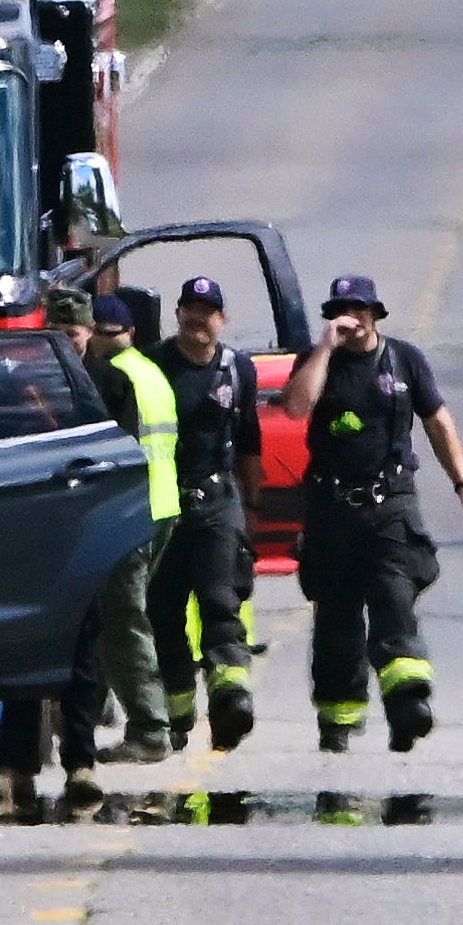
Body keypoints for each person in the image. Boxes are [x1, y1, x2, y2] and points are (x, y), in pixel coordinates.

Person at [277, 275, 463, 754]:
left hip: (390, 504)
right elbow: (295, 408)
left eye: (357, 310)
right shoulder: (318, 362)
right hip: (332, 509)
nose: (349, 319)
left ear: (374, 313)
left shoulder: (404, 360)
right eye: (340, 311)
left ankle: (408, 706)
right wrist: (325, 349)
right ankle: (339, 720)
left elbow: (438, 421)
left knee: (395, 600)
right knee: (336, 619)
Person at [48, 288, 180, 800]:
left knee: (123, 620)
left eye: (76, 333)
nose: (72, 342)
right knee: (106, 619)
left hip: (128, 515)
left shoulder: (114, 379)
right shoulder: (145, 370)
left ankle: (150, 728)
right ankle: (100, 709)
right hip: (155, 506)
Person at [149, 276, 263, 753]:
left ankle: (231, 700)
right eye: (189, 308)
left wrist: (252, 509)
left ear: (223, 318)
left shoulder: (238, 369)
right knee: (163, 613)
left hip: (217, 501)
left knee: (221, 601)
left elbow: (251, 440)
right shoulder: (153, 366)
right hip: (161, 507)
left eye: (207, 310)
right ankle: (176, 718)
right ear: (177, 314)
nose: (198, 318)